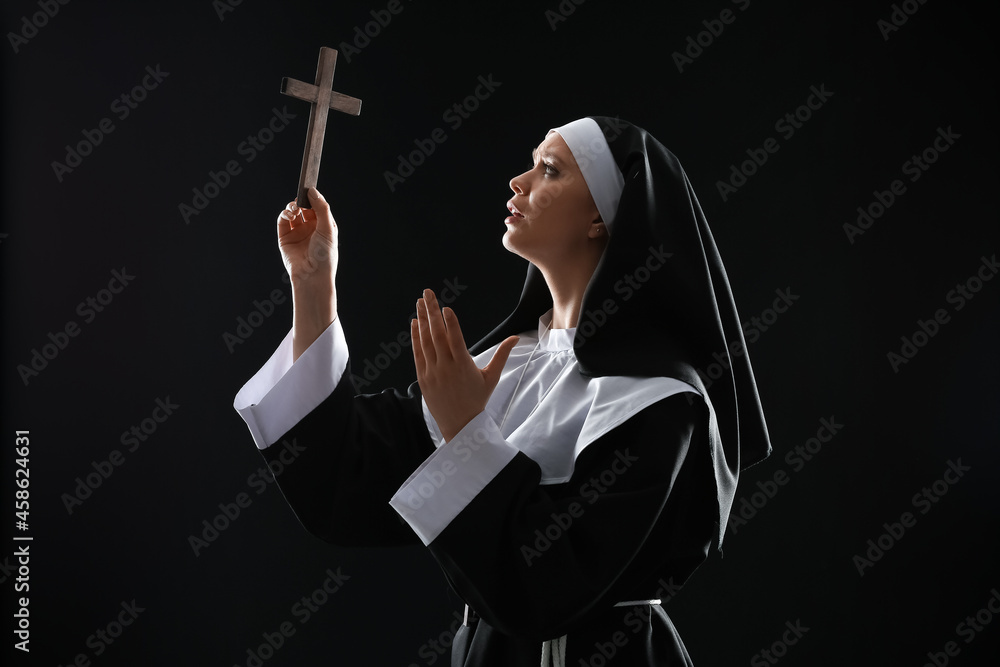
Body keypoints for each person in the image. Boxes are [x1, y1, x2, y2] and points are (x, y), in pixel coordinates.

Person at [233, 116, 771, 666]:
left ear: (600, 217)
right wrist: (314, 282)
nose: (519, 181)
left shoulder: (656, 399)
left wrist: (468, 429)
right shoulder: (510, 363)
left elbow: (548, 589)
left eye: (550, 170)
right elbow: (346, 481)